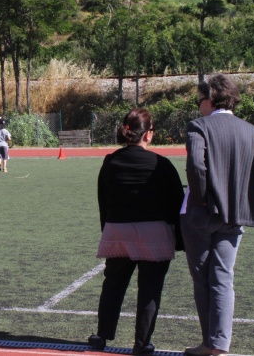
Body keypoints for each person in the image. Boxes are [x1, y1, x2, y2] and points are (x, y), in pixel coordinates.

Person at [182, 74, 254, 356]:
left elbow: (196, 167)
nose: (198, 106)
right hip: (235, 216)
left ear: (211, 98)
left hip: (201, 215)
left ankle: (209, 343)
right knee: (223, 278)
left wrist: (203, 199)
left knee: (203, 279)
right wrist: (241, 200)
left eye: (199, 100)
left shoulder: (199, 126)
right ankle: (219, 344)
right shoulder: (253, 132)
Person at [89, 108, 184, 355]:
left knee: (113, 284)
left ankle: (101, 335)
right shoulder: (161, 164)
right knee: (150, 289)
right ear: (148, 134)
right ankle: (142, 343)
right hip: (154, 233)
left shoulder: (110, 161)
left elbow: (103, 200)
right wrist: (180, 239)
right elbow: (177, 202)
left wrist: (107, 230)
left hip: (118, 231)